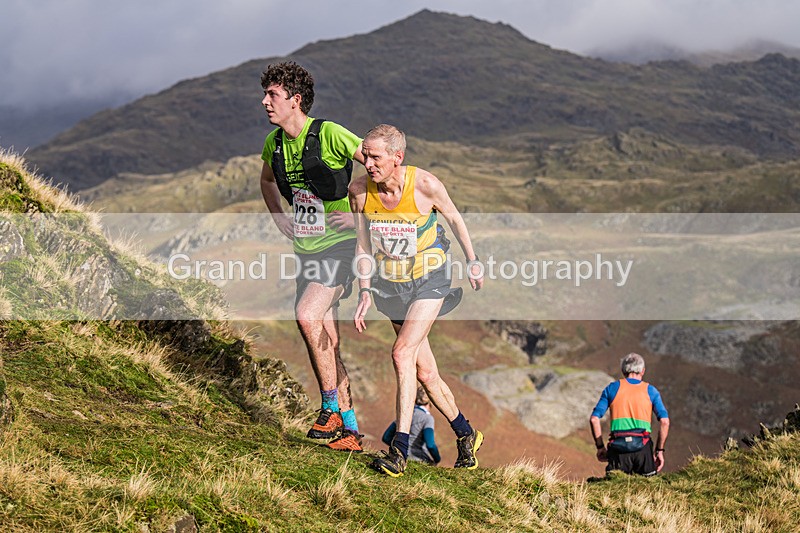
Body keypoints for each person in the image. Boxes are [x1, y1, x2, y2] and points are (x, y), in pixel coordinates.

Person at [348, 123, 484, 477]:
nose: (368, 163)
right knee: (425, 371)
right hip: (391, 286)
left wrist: (472, 261)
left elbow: (454, 217)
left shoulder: (425, 185)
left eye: (375, 157)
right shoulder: (359, 191)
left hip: (431, 279)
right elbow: (363, 243)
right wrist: (364, 290)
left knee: (401, 353)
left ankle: (400, 451)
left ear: (398, 157)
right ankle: (466, 434)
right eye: (365, 155)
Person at [259, 61, 364, 452]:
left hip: (340, 249)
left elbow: (376, 167)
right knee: (327, 338)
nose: (265, 101)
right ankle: (350, 433)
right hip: (305, 251)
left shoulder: (330, 133)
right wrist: (279, 218)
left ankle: (330, 408)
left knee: (306, 315)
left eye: (273, 95)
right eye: (266, 93)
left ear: (295, 100)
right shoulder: (274, 144)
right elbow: (267, 181)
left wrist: (358, 219)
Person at [590, 352, 670, 476]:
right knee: (647, 490)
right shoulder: (651, 391)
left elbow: (594, 419)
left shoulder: (612, 388)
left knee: (615, 490)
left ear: (623, 370)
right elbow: (665, 422)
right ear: (643, 371)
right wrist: (659, 450)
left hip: (618, 449)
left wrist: (600, 447)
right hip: (643, 449)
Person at [382, 387, 441, 465]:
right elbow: (430, 445)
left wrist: (398, 449)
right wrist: (437, 459)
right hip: (419, 459)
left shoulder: (404, 415)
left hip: (401, 457)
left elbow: (386, 437)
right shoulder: (427, 419)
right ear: (430, 403)